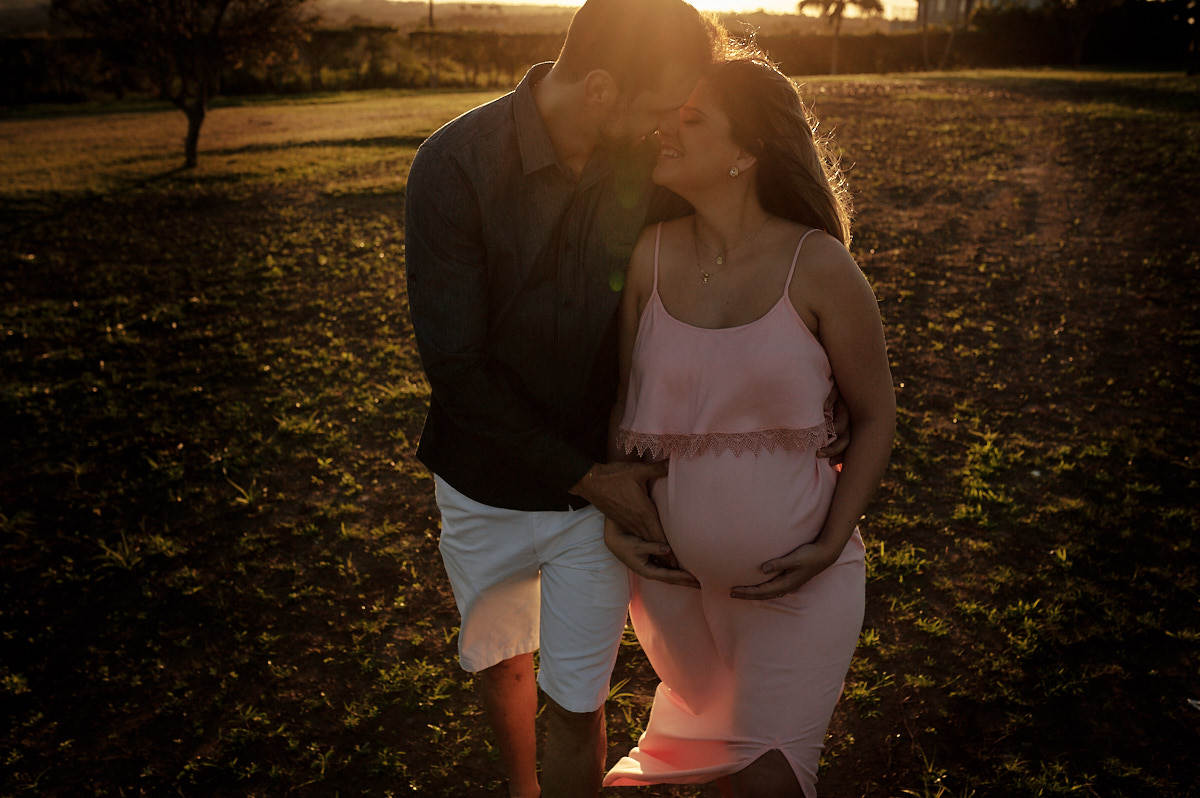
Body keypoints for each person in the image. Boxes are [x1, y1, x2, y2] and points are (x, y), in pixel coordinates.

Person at [403, 3, 731, 795]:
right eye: (659, 110)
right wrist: (590, 476)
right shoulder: (453, 167)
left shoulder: (645, 168)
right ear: (599, 90)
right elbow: (456, 369)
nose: (668, 129)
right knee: (501, 670)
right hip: (483, 487)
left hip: (596, 499)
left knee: (576, 704)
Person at [601, 55, 896, 797]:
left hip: (797, 595)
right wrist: (616, 514)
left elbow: (875, 415)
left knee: (763, 783)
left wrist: (831, 542)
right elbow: (620, 408)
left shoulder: (820, 266)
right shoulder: (648, 257)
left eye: (693, 120)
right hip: (675, 600)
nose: (667, 127)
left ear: (746, 153)